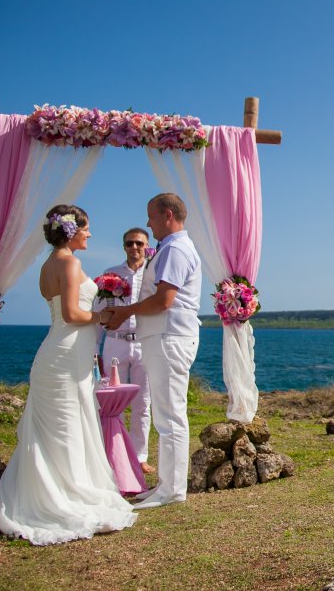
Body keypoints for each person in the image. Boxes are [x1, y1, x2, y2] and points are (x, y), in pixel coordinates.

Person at [0, 204, 136, 545]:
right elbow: (72, 314)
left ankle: (56, 491)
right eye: (85, 229)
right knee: (66, 428)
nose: (89, 234)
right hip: (65, 357)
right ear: (71, 232)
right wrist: (102, 317)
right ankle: (65, 498)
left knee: (61, 429)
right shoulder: (70, 263)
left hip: (61, 354)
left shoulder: (47, 265)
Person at [105, 193, 201, 510]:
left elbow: (164, 300)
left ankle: (172, 490)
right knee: (164, 414)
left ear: (168, 215)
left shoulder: (174, 249)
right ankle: (166, 484)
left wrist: (126, 311)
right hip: (164, 337)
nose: (148, 223)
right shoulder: (170, 248)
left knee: (170, 416)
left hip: (168, 338)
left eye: (151, 216)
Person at [94, 227, 155, 476]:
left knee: (143, 403)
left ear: (147, 246)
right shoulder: (111, 275)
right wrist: (94, 348)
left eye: (139, 243)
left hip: (144, 343)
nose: (134, 248)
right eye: (130, 243)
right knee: (110, 402)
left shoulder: (154, 274)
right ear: (124, 247)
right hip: (115, 342)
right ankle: (110, 455)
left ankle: (140, 457)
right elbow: (99, 311)